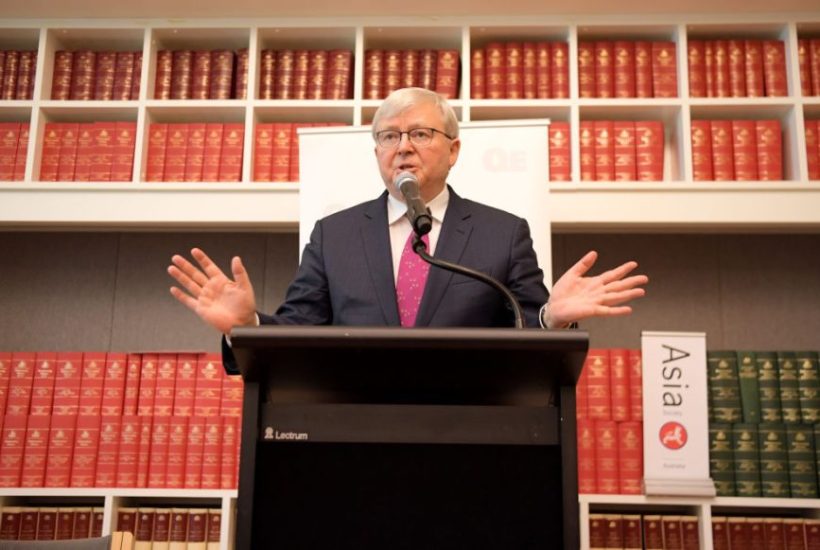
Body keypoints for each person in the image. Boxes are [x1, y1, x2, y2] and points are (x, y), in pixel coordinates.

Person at [168, 87, 648, 372]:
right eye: (388, 136)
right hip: (354, 433)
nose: (403, 147)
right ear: (377, 151)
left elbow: (526, 338)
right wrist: (247, 328)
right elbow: (298, 334)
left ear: (453, 150)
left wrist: (552, 318)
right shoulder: (334, 235)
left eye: (419, 134)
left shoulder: (502, 234)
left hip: (469, 433)